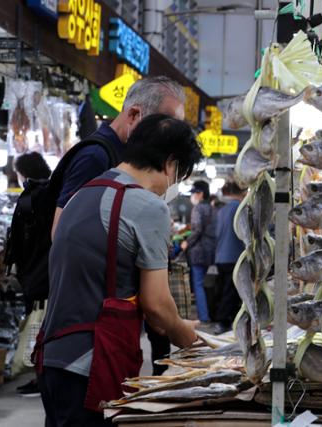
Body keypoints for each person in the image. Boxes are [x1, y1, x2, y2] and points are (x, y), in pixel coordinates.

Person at [36, 114, 201, 426]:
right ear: (170, 164)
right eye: (179, 175)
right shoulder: (148, 206)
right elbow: (156, 305)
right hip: (91, 365)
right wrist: (185, 334)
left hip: (53, 357)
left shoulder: (83, 193)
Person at [52, 76, 185, 238]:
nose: (171, 138)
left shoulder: (127, 157)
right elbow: (60, 232)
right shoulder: (95, 157)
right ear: (134, 114)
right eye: (166, 127)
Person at [12, 152, 52, 397]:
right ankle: (41, 376)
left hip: (37, 273)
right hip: (48, 271)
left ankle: (41, 378)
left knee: (38, 326)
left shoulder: (32, 197)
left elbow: (24, 242)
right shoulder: (53, 191)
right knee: (42, 326)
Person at [212, 181, 246, 335]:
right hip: (235, 256)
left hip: (221, 257)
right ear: (240, 192)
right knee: (231, 291)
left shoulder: (221, 210)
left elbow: (216, 234)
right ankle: (224, 320)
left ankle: (224, 319)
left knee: (224, 289)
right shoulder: (239, 208)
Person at [181, 181, 216, 323]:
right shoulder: (213, 209)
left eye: (194, 193)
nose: (192, 196)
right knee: (208, 284)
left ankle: (203, 317)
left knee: (198, 284)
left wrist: (186, 243)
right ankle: (209, 314)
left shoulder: (197, 209)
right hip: (211, 251)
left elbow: (196, 230)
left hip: (198, 252)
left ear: (200, 193)